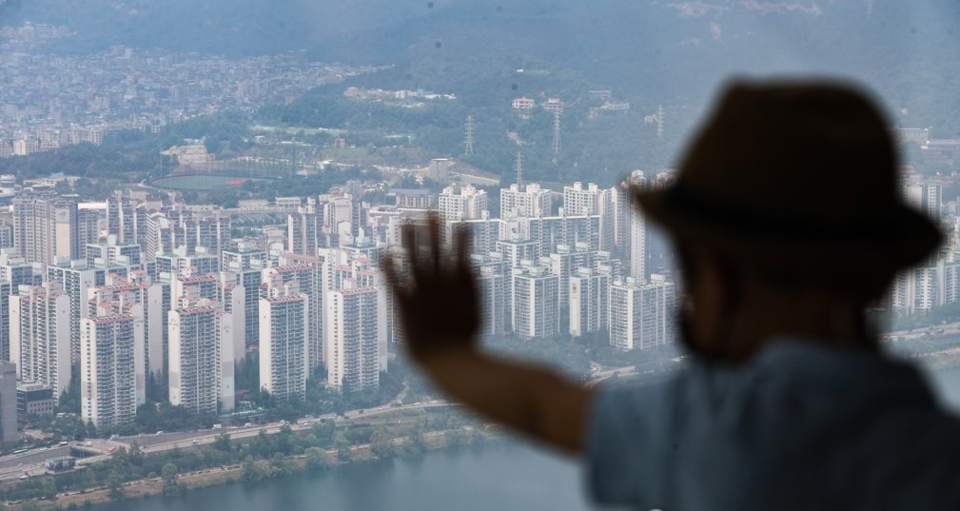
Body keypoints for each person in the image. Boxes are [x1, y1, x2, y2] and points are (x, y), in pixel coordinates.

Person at [382, 80, 960, 510]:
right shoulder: (936, 451)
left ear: (717, 275)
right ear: (883, 277)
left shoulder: (727, 432)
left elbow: (543, 404)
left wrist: (443, 350)